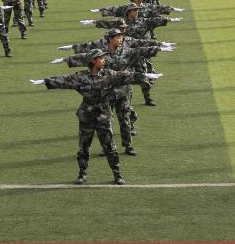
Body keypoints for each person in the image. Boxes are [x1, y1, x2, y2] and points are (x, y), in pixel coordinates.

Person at [31, 49, 161, 185]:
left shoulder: (109, 74)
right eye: (101, 58)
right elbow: (64, 80)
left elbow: (125, 76)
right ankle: (82, 174)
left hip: (103, 115)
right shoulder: (80, 76)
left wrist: (145, 75)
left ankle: (117, 174)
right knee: (84, 147)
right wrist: (45, 81)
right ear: (93, 60)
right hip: (86, 116)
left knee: (109, 147)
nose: (104, 60)